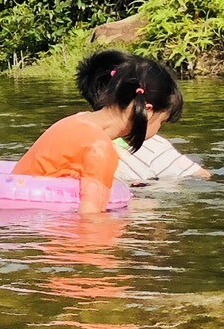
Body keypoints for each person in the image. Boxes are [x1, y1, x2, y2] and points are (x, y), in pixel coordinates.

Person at [14, 51, 185, 215]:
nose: (158, 130)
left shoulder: (76, 120)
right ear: (148, 111)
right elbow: (89, 219)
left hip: (19, 205)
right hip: (35, 221)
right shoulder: (100, 148)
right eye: (161, 122)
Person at [76, 50, 209, 184]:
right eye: (161, 122)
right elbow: (202, 176)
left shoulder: (75, 128)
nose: (158, 127)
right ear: (147, 110)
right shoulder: (154, 147)